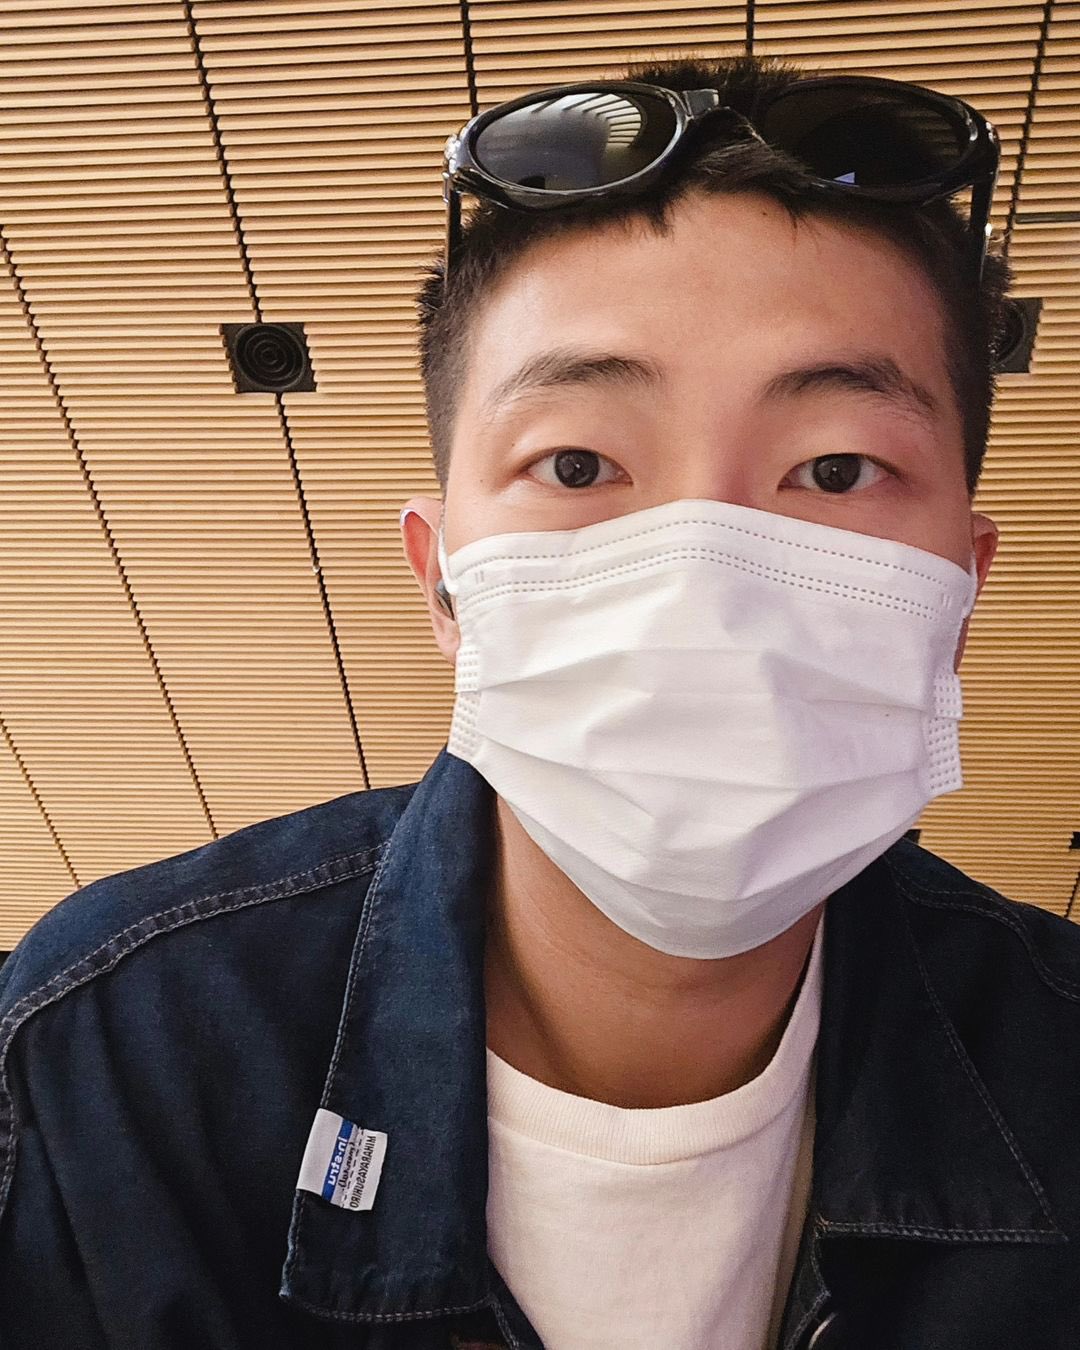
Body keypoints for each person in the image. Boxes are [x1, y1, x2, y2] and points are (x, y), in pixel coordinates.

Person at [0, 50, 1077, 1350]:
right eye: (577, 463)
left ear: (959, 590)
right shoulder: (109, 1062)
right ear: (444, 582)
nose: (704, 585)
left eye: (836, 469)